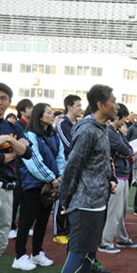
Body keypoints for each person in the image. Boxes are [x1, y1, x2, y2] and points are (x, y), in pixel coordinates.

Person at [60, 84, 118, 273]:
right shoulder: (87, 131)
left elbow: (97, 163)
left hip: (97, 202)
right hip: (84, 205)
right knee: (78, 254)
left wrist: (108, 180)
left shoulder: (101, 129)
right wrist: (65, 200)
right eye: (113, 101)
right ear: (101, 104)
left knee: (87, 256)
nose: (116, 106)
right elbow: (72, 167)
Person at [12, 103, 64, 271]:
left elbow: (60, 158)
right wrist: (51, 178)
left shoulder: (54, 135)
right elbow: (33, 161)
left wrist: (59, 177)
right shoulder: (30, 135)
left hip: (51, 185)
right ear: (39, 116)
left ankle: (37, 253)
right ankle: (19, 256)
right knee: (26, 221)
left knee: (42, 221)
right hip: (33, 185)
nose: (51, 115)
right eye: (48, 113)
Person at [0, 83, 32, 270]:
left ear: (9, 102)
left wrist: (9, 140)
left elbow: (28, 153)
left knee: (1, 242)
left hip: (8, 189)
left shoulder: (12, 128)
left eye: (3, 98)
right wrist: (14, 151)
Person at [99, 103, 137, 253]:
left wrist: (127, 152)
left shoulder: (117, 132)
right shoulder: (110, 132)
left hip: (123, 174)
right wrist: (127, 152)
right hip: (116, 175)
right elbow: (125, 149)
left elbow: (127, 149)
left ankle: (121, 238)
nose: (125, 122)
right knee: (113, 212)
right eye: (123, 118)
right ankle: (105, 241)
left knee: (121, 212)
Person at [53, 95, 82, 245]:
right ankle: (59, 231)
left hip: (77, 167)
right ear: (69, 107)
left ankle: (69, 229)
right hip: (65, 166)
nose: (80, 108)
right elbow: (69, 145)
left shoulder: (78, 124)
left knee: (73, 199)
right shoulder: (62, 124)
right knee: (62, 198)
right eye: (77, 105)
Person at [9, 98, 34, 240]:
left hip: (28, 167)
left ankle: (22, 226)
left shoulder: (31, 126)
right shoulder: (17, 126)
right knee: (15, 198)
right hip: (17, 166)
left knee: (26, 198)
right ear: (22, 111)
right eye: (29, 107)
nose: (32, 109)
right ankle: (11, 226)